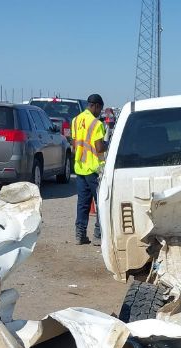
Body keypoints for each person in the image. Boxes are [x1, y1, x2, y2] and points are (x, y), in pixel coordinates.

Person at [71, 94, 108, 245]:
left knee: (83, 203)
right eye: (100, 109)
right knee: (100, 202)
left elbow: (74, 145)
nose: (100, 112)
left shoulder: (76, 120)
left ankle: (80, 235)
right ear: (96, 106)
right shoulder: (96, 124)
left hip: (80, 168)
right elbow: (99, 148)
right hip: (94, 169)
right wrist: (108, 144)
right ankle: (98, 235)